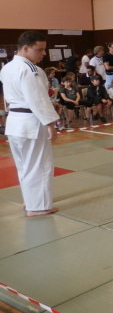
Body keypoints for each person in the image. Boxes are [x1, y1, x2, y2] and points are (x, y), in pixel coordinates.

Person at [0, 31, 61, 216]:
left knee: (25, 166)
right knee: (39, 166)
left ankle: (30, 201)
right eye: (39, 49)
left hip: (15, 122)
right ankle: (38, 207)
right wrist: (51, 124)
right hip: (32, 123)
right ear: (25, 48)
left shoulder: (7, 67)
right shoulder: (30, 69)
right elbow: (38, 99)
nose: (43, 53)